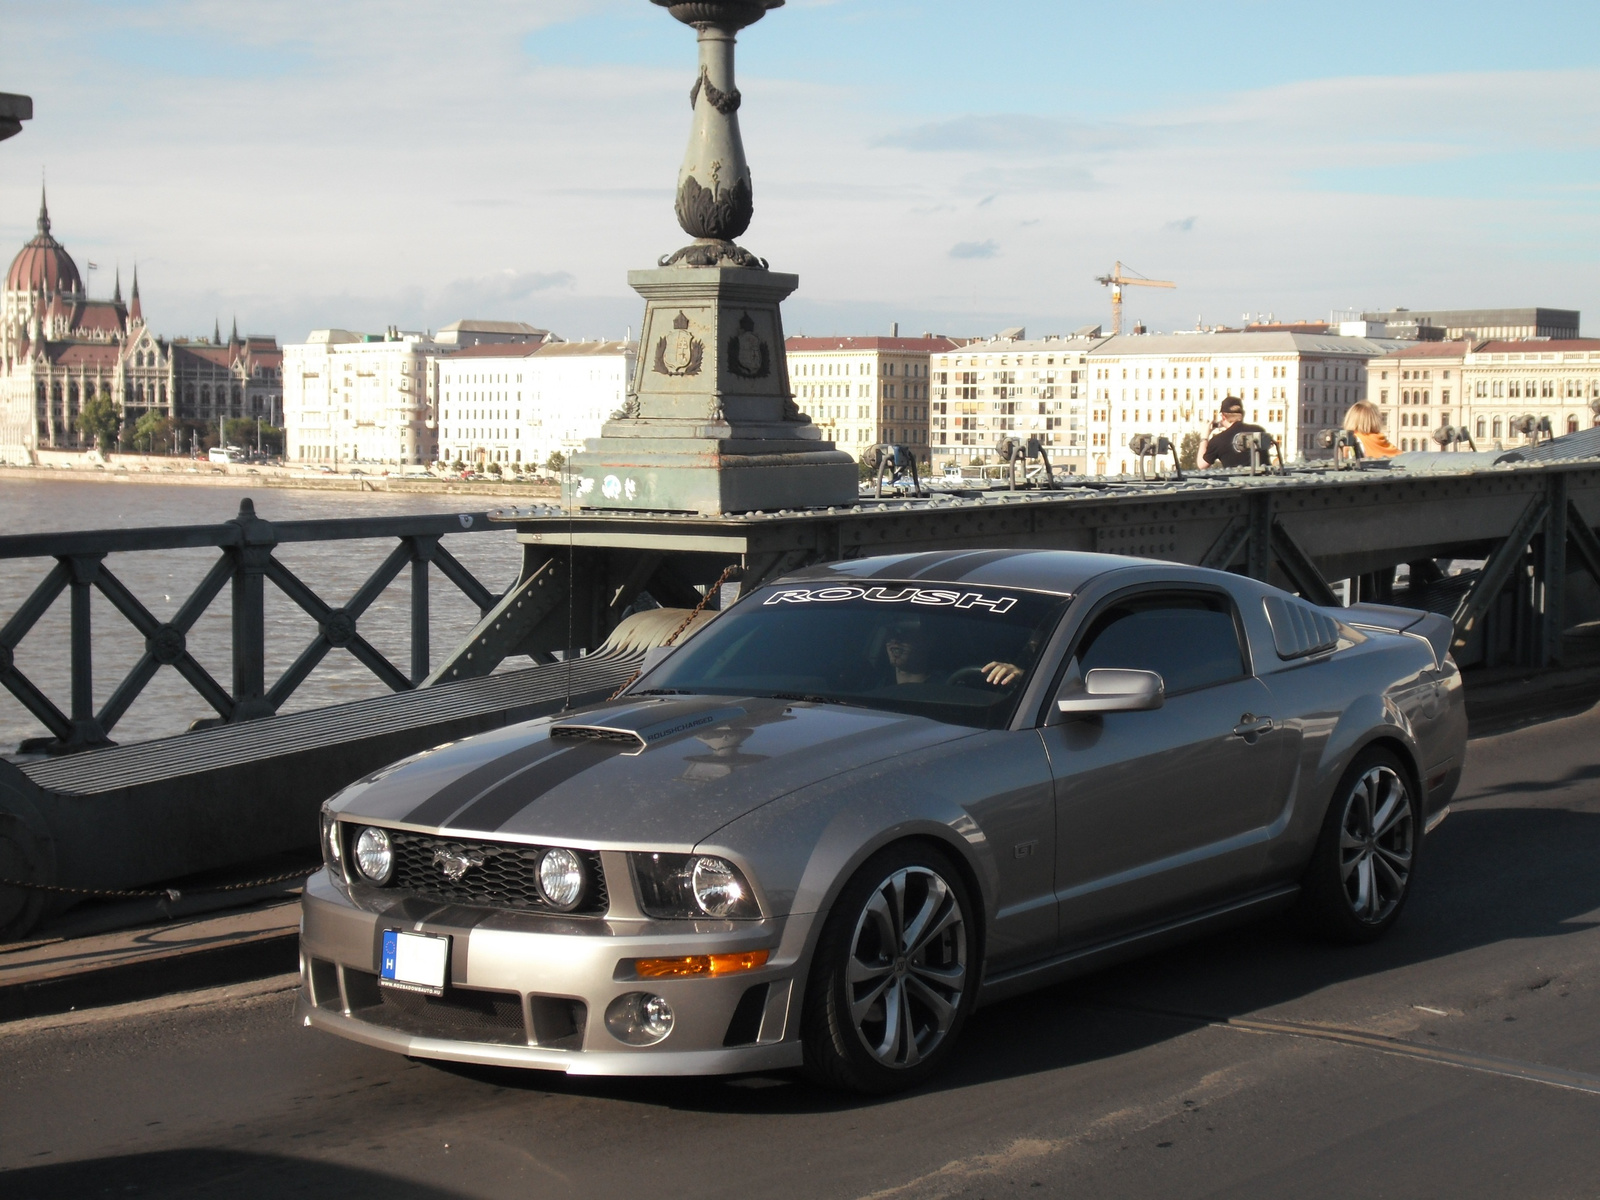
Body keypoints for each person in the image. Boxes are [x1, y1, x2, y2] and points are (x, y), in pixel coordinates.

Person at [1196, 396, 1268, 469]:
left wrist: (1204, 437)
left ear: (1223, 417)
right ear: (1242, 415)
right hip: (1266, 479)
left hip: (1235, 480)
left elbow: (1202, 465)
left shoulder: (1218, 440)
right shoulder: (1259, 430)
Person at [883, 619, 932, 684]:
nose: (894, 640)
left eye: (904, 633)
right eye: (891, 633)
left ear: (926, 642)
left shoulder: (945, 687)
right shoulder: (878, 687)